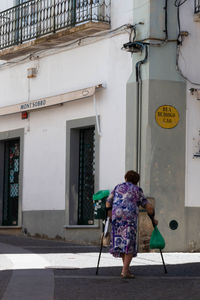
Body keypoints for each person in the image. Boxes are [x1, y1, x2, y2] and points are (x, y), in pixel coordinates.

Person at [106, 170, 158, 279]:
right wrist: (153, 219)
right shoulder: (137, 190)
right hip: (129, 220)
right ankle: (125, 271)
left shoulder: (117, 187)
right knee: (129, 244)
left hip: (117, 219)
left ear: (126, 178)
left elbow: (108, 202)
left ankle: (126, 269)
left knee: (121, 242)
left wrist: (110, 215)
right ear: (136, 181)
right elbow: (148, 207)